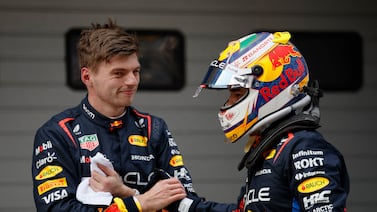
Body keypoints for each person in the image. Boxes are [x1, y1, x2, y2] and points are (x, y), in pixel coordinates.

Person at [32, 19, 195, 212]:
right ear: (87, 77)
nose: (132, 81)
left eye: (136, 71)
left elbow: (184, 203)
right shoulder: (57, 133)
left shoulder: (154, 128)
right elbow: (57, 209)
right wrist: (139, 204)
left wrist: (128, 193)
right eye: (119, 73)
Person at [191, 31, 350, 211]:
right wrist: (189, 207)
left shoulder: (304, 147)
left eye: (236, 94)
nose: (230, 103)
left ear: (272, 87)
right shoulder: (269, 148)